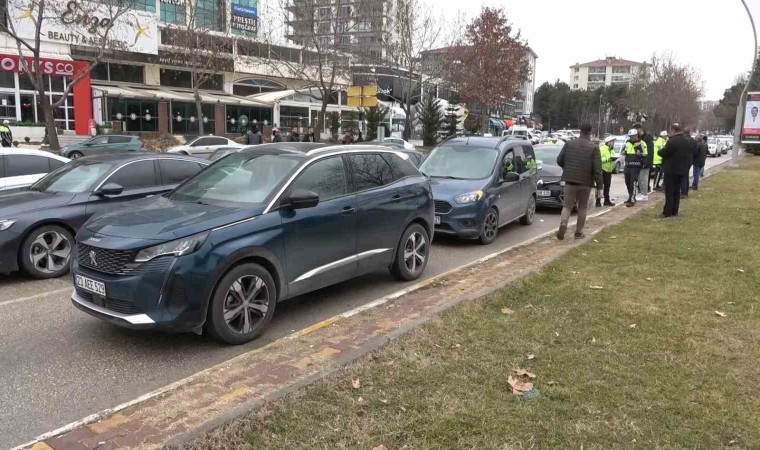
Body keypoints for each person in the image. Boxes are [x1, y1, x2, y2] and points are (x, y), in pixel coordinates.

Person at [555, 123, 603, 240]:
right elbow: (597, 169)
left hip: (570, 180)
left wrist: (567, 168)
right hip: (586, 183)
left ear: (580, 131)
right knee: (582, 207)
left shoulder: (569, 144)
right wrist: (600, 187)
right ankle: (578, 232)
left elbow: (559, 160)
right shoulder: (594, 148)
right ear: (590, 132)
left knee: (567, 206)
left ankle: (563, 224)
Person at [659, 123, 693, 218]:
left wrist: (660, 150)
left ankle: (667, 211)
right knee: (677, 191)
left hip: (671, 170)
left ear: (673, 130)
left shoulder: (672, 141)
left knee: (669, 191)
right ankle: (675, 211)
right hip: (681, 170)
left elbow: (663, 152)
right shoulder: (686, 141)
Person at [623, 128, 646, 207]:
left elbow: (645, 154)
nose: (631, 138)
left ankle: (632, 199)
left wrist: (640, 154)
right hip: (628, 165)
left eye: (633, 136)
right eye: (630, 136)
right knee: (627, 182)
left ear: (636, 135)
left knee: (633, 182)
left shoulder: (641, 143)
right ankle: (630, 196)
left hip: (636, 165)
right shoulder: (627, 143)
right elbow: (625, 152)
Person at [634, 124, 654, 199]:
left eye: (636, 130)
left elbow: (650, 152)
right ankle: (641, 193)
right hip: (639, 162)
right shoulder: (638, 138)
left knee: (644, 179)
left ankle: (644, 194)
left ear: (639, 129)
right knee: (640, 179)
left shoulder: (647, 138)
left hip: (645, 162)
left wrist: (647, 162)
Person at [598, 135, 616, 207]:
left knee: (607, 186)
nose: (613, 143)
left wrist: (613, 162)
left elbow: (612, 159)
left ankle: (606, 200)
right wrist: (608, 160)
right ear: (608, 142)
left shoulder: (612, 150)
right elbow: (599, 159)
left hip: (609, 170)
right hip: (602, 170)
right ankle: (598, 201)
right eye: (612, 141)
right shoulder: (602, 149)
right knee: (600, 186)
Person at [681, 128, 697, 198]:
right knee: (686, 175)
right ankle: (686, 191)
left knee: (683, 176)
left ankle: (683, 192)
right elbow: (695, 151)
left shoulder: (683, 140)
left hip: (683, 159)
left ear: (684, 132)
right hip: (690, 159)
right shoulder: (693, 141)